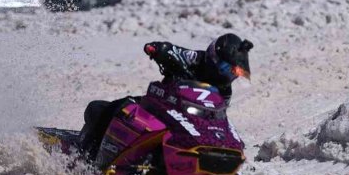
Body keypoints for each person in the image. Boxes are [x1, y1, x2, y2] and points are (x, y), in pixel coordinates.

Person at [77, 34, 253, 161]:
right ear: (214, 57)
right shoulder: (194, 59)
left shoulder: (225, 91)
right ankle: (88, 153)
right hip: (161, 106)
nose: (228, 75)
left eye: (234, 72)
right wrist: (158, 49)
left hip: (190, 122)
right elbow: (171, 50)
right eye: (225, 68)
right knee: (122, 108)